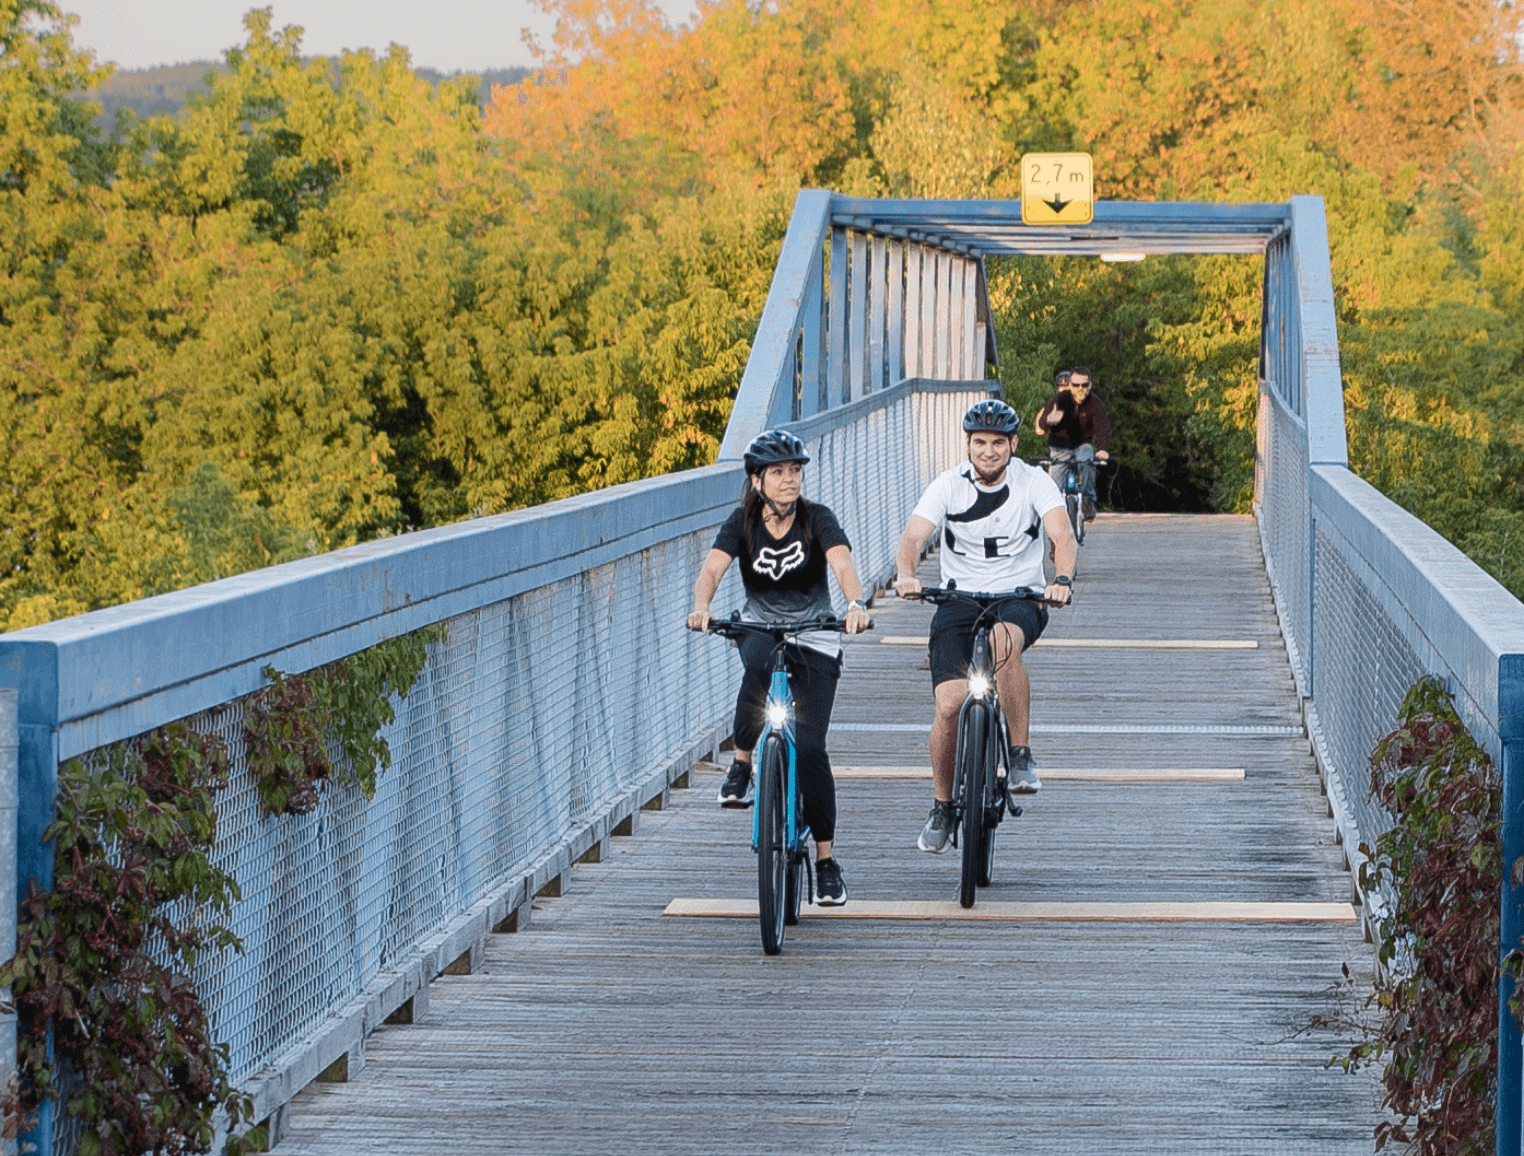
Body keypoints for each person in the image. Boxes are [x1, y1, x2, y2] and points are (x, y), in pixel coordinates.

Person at [687, 429, 871, 906]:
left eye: (795, 471)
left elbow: (842, 564)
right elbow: (712, 570)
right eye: (778, 472)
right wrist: (702, 606)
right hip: (762, 626)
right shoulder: (742, 522)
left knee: (810, 748)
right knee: (756, 662)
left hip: (815, 633)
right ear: (757, 480)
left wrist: (854, 603)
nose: (790, 480)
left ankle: (826, 862)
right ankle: (742, 763)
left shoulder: (817, 518)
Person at [893, 400, 1079, 854]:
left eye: (998, 443)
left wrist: (1061, 579)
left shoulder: (1033, 481)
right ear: (968, 444)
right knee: (949, 705)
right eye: (980, 442)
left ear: (1014, 443)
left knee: (1002, 642)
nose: (989, 451)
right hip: (958, 598)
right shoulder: (948, 484)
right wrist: (906, 574)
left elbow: (1062, 535)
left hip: (1019, 597)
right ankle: (942, 806)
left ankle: (1020, 755)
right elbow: (913, 537)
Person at [1034, 366, 1111, 521]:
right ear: (1070, 386)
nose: (1080, 389)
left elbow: (1102, 428)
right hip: (1059, 447)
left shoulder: (1095, 403)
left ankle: (1087, 500)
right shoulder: (1058, 400)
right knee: (1054, 488)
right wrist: (1048, 421)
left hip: (1082, 445)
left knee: (1087, 460)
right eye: (1076, 385)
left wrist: (1103, 449)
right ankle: (1054, 518)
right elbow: (1040, 424)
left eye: (1084, 385)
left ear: (1090, 385)